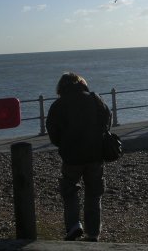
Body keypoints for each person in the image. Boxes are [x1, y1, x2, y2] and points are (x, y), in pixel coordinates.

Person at [46, 72, 111, 242]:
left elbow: (53, 133)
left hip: (71, 156)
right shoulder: (94, 98)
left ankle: (74, 225)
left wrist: (64, 144)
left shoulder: (58, 105)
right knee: (94, 193)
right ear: (81, 82)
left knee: (70, 191)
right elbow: (107, 120)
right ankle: (93, 232)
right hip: (95, 153)